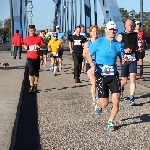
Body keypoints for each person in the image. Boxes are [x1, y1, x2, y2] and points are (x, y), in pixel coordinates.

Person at [86, 21, 127, 131]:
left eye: (114, 30)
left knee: (116, 100)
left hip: (113, 75)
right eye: (110, 29)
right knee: (104, 104)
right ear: (105, 30)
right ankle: (98, 105)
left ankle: (110, 121)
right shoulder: (99, 42)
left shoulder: (118, 45)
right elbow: (87, 53)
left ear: (116, 31)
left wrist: (124, 60)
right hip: (101, 75)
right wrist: (92, 65)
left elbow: (123, 59)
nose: (112, 31)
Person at [117, 19, 138, 105]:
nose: (131, 26)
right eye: (129, 24)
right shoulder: (121, 35)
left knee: (133, 79)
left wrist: (137, 49)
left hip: (133, 59)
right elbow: (117, 47)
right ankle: (120, 88)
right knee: (125, 80)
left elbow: (136, 45)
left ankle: (132, 98)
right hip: (124, 60)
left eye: (132, 24)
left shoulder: (135, 35)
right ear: (125, 25)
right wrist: (124, 51)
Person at [23, 25, 45, 93]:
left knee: (36, 72)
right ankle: (31, 86)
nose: (32, 31)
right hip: (29, 57)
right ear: (29, 31)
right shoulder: (27, 38)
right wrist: (25, 47)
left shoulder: (39, 38)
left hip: (37, 57)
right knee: (31, 71)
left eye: (33, 30)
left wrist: (40, 46)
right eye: (30, 30)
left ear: (35, 30)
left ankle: (35, 85)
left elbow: (44, 45)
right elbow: (24, 44)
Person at [84, 25, 99, 106]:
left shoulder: (100, 42)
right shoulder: (87, 43)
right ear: (90, 33)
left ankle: (100, 97)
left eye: (96, 31)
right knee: (94, 82)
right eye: (94, 31)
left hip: (99, 63)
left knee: (99, 82)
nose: (95, 33)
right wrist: (87, 52)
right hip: (90, 64)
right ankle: (94, 99)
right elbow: (84, 54)